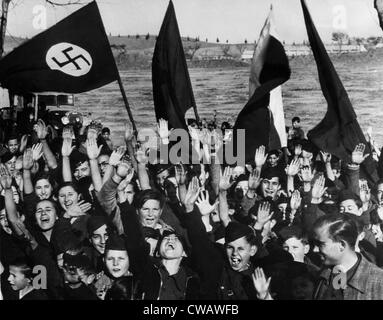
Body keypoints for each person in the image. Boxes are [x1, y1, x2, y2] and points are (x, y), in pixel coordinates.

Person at [312, 214, 383, 300]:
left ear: (342, 245)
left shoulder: (378, 282)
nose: (315, 250)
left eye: (321, 244)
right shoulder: (320, 275)